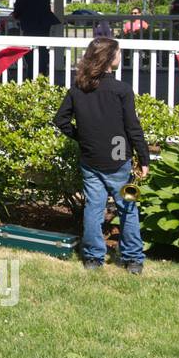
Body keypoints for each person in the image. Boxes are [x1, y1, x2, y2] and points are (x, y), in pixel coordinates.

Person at [53, 37, 150, 273]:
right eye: (118, 53)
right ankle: (133, 259)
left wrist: (81, 137)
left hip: (90, 159)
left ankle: (94, 259)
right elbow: (132, 127)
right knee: (128, 207)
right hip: (119, 160)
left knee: (93, 208)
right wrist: (144, 159)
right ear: (109, 58)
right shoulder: (121, 90)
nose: (120, 56)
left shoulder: (78, 88)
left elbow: (60, 120)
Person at [13, 0, 59, 75]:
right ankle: (41, 75)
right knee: (41, 49)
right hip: (43, 19)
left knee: (32, 51)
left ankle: (34, 76)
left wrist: (16, 13)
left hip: (32, 19)